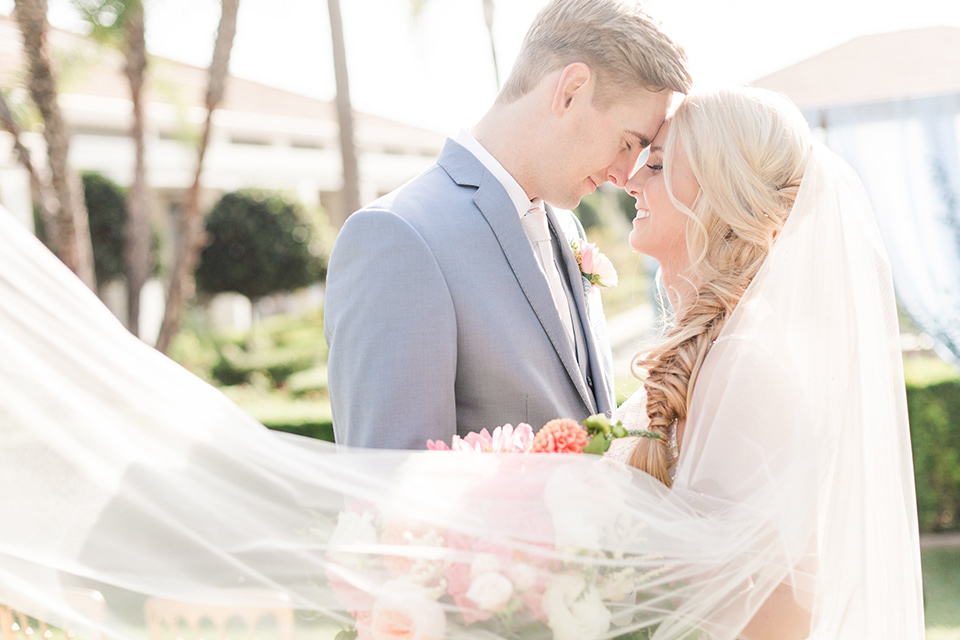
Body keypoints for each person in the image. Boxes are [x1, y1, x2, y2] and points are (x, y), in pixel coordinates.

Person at [0, 87, 923, 640]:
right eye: (638, 153)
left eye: (657, 162)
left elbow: (772, 593)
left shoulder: (756, 363)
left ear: (714, 190)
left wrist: (555, 543)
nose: (631, 175)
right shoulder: (710, 349)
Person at [324, 0, 691, 449]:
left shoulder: (569, 230)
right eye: (628, 142)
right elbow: (390, 490)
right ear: (571, 90)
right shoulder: (398, 237)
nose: (623, 175)